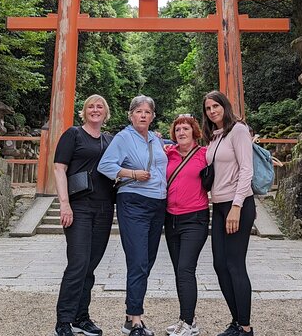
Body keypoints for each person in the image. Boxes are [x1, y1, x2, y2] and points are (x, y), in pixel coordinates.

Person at [97, 95, 168, 336]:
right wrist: (133, 174)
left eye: (148, 111)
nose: (143, 115)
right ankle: (136, 320)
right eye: (139, 111)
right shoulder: (124, 137)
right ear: (131, 115)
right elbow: (105, 166)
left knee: (146, 261)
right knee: (137, 261)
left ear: (153, 116)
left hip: (158, 204)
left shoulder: (156, 140)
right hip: (133, 202)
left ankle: (130, 313)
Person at [53, 95, 115, 336]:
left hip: (104, 207)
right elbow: (60, 168)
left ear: (106, 112)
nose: (95, 110)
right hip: (79, 206)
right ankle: (63, 320)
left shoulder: (110, 140)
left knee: (90, 265)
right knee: (78, 263)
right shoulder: (74, 134)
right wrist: (64, 204)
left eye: (100, 107)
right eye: (91, 106)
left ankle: (81, 316)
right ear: (84, 111)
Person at [202, 91, 255, 336]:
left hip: (238, 205)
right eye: (208, 108)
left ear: (225, 106)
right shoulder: (214, 137)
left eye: (216, 106)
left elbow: (246, 169)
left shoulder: (239, 131)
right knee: (219, 265)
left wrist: (237, 206)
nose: (212, 111)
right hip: (219, 205)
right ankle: (236, 320)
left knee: (234, 264)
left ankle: (245, 326)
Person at [164, 115, 209, 336]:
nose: (181, 132)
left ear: (194, 132)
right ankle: (184, 318)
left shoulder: (204, 154)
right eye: (178, 129)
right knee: (178, 271)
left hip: (195, 217)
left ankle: (189, 323)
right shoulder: (168, 154)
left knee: (185, 269)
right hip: (171, 218)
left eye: (186, 128)